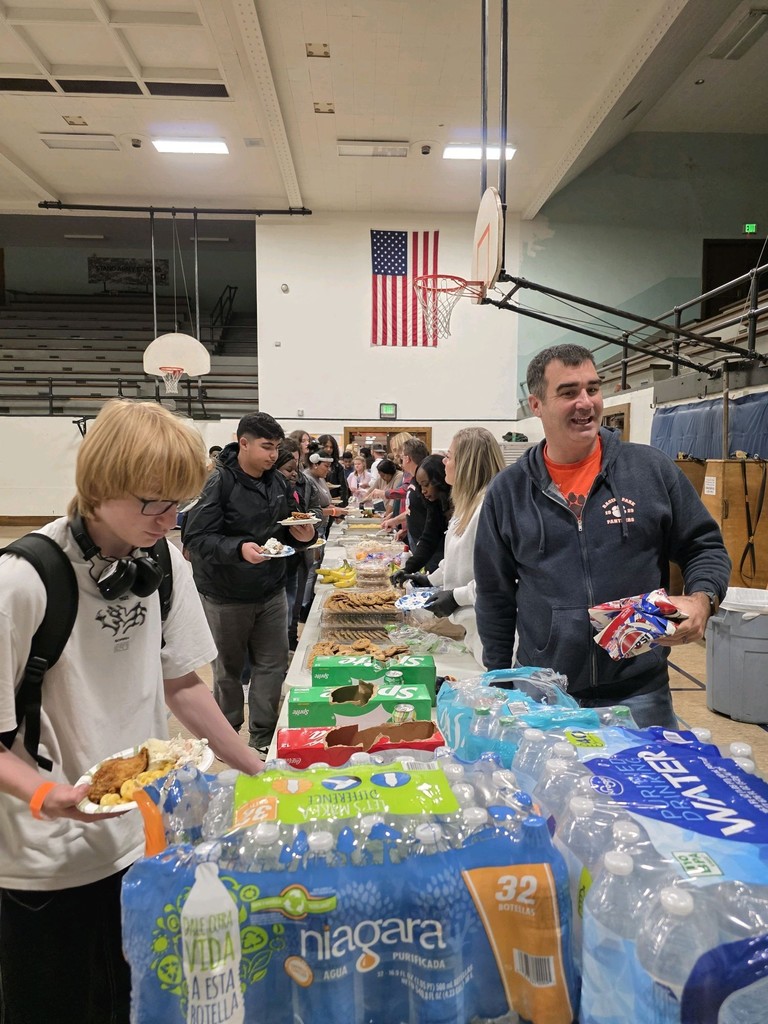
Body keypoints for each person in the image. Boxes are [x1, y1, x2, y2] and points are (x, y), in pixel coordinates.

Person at [0, 399, 264, 1024]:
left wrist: (258, 764)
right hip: (45, 861)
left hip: (135, 843)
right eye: (154, 502)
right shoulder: (22, 582)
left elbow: (184, 685)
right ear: (100, 486)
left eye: (180, 503)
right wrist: (45, 796)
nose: (170, 519)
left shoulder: (161, 561)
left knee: (130, 1004)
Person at [474, 343, 731, 729]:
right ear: (536, 405)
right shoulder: (508, 493)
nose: (585, 402)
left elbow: (704, 546)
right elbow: (494, 595)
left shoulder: (650, 471)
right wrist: (498, 682)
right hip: (544, 693)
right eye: (568, 392)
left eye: (592, 389)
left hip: (640, 694)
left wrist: (702, 599)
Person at [182, 412, 316, 754]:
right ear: (243, 443)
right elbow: (195, 540)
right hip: (226, 594)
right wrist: (238, 549)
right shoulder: (219, 482)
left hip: (270, 589)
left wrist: (303, 536)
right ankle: (226, 738)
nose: (273, 455)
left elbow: (285, 530)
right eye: (266, 447)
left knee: (272, 665)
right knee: (228, 670)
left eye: (276, 448)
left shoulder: (277, 482)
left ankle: (262, 739)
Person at [402, 428, 505, 664]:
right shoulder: (465, 505)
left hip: (491, 632)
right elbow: (457, 559)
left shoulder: (489, 508)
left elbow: (501, 578)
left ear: (466, 464)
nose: (444, 462)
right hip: (472, 630)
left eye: (449, 456)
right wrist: (432, 580)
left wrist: (457, 597)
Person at [393, 454, 450, 575]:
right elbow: (429, 539)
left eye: (426, 484)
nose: (423, 491)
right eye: (420, 486)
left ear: (439, 480)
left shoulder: (457, 505)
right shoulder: (434, 505)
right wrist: (407, 569)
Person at [317, 433, 350, 507]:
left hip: (335, 504)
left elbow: (343, 488)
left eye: (331, 447)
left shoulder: (337, 466)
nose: (329, 449)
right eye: (326, 446)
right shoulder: (313, 464)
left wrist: (342, 507)